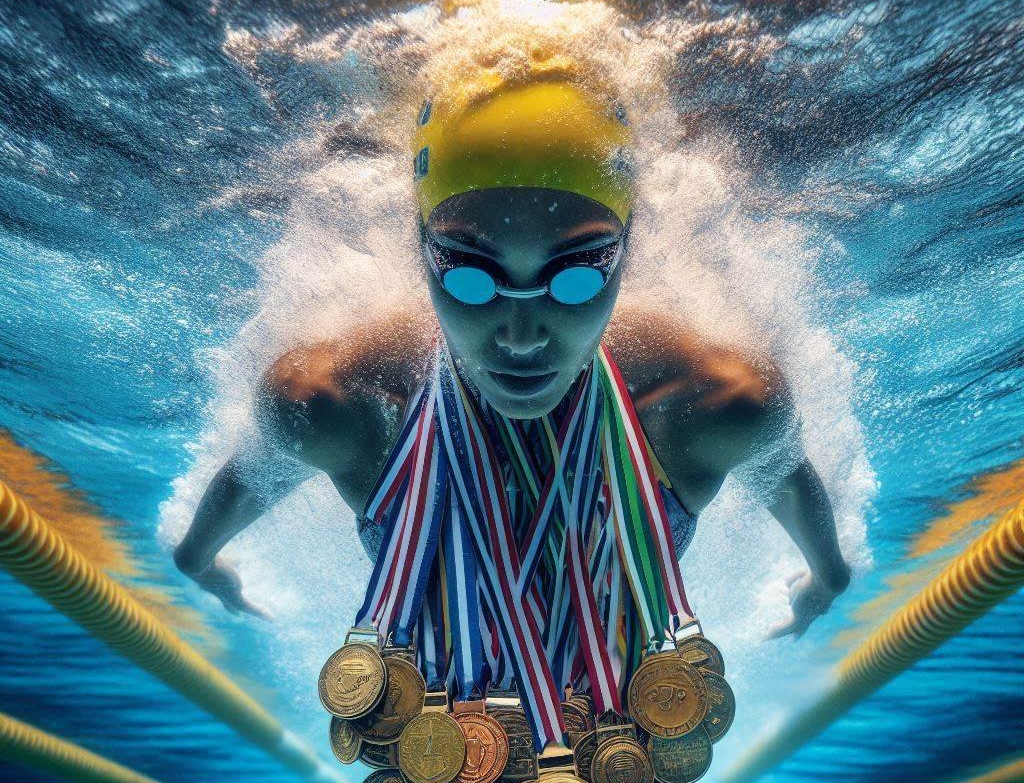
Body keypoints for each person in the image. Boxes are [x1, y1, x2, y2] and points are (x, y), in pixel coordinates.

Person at [174, 73, 851, 640]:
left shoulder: (713, 402)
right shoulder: (335, 402)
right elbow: (253, 474)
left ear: (628, 251)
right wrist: (201, 562)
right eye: (469, 275)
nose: (522, 336)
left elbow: (784, 474)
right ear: (421, 251)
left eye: (576, 276)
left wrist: (826, 581)